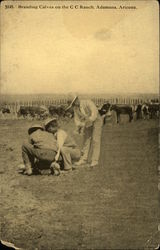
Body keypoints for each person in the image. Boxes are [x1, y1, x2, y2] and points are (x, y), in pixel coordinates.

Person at [66, 94, 103, 167]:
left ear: (77, 99)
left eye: (74, 103)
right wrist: (80, 125)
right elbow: (76, 119)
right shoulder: (75, 108)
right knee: (86, 140)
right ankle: (83, 159)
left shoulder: (87, 102)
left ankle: (95, 160)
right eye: (72, 104)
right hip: (87, 122)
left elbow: (94, 113)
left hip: (96, 120)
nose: (74, 105)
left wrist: (88, 120)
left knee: (95, 140)